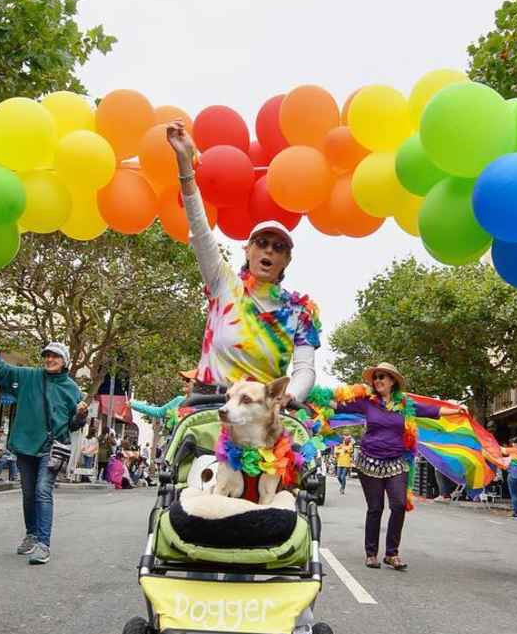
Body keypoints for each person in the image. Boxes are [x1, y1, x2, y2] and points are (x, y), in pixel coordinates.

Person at [168, 123, 320, 403]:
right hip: (206, 408)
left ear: (286, 259)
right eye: (262, 243)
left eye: (278, 248)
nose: (269, 251)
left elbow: (304, 370)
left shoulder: (301, 312)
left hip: (258, 416)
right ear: (248, 250)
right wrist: (185, 165)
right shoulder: (223, 282)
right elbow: (200, 230)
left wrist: (291, 395)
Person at [0, 334, 87, 565]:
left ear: (65, 361)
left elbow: (73, 426)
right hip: (25, 446)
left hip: (52, 447)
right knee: (28, 494)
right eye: (47, 355)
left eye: (55, 356)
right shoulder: (28, 375)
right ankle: (31, 534)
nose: (49, 359)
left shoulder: (72, 389)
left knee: (42, 491)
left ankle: (43, 545)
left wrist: (80, 415)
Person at [332, 364, 416, 571]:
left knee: (398, 505)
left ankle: (391, 554)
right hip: (370, 462)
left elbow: (431, 410)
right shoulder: (367, 403)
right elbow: (338, 406)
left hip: (397, 462)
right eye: (376, 377)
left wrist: (456, 408)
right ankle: (371, 553)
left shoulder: (405, 404)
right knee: (375, 508)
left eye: (382, 377)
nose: (378, 380)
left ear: (392, 381)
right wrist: (309, 399)